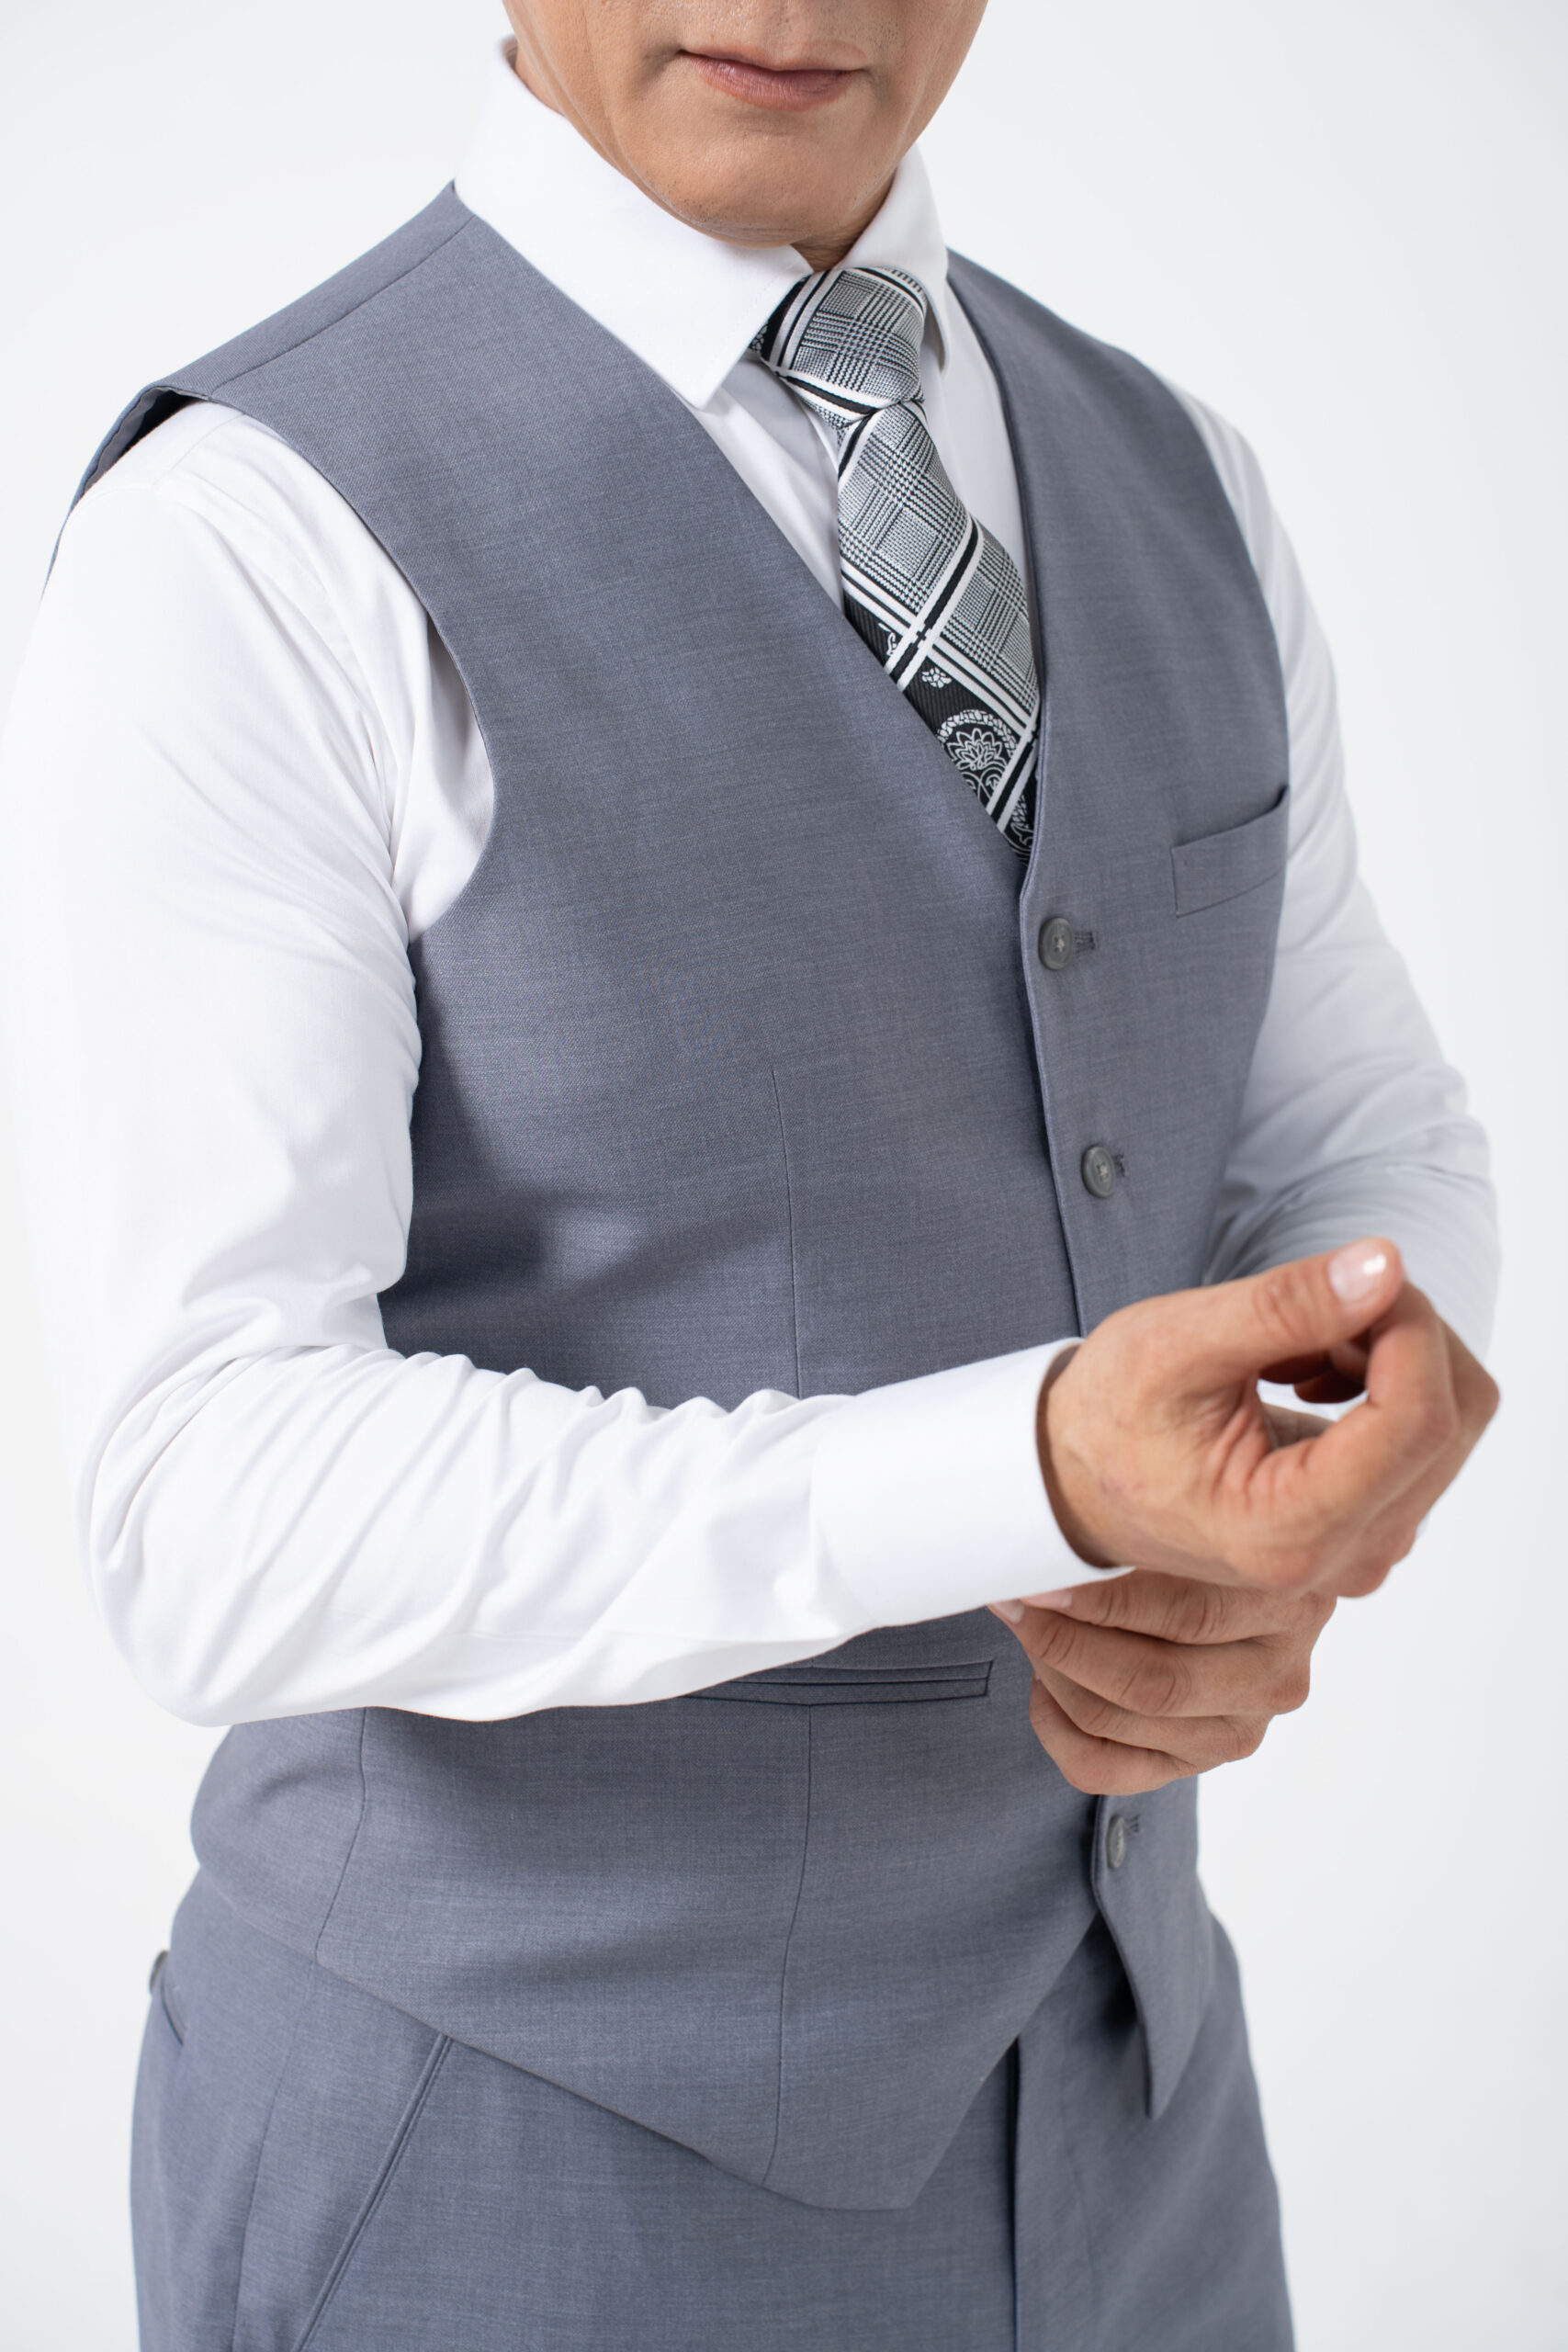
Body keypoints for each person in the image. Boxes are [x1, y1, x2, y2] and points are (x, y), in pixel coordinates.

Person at [0, 6, 1498, 2346]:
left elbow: (1348, 1127)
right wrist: (1025, 1475)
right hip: (507, 2164)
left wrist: (1357, 1418)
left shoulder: (1179, 476)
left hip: (1140, 2139)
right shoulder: (247, 534)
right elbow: (208, 1504)